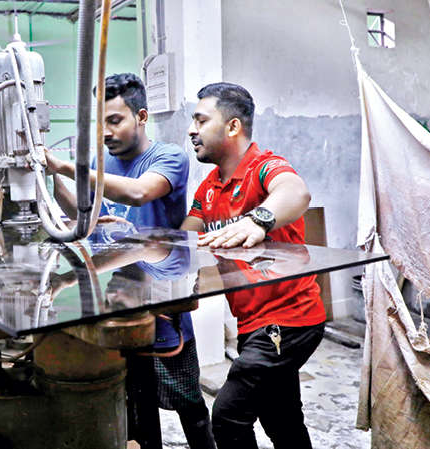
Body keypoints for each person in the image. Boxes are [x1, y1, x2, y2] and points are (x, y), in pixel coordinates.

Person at [46, 73, 215, 449]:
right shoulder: (100, 161)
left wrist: (68, 168)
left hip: (164, 299)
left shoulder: (169, 156)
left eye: (114, 120)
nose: (105, 132)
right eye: (100, 122)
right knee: (137, 403)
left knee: (187, 399)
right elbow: (84, 217)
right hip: (119, 299)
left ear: (141, 117)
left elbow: (139, 193)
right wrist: (51, 178)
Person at [181, 82, 325, 449]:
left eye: (201, 120)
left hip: (288, 320)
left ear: (232, 126)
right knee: (282, 416)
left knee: (228, 416)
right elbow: (184, 238)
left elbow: (296, 192)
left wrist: (258, 220)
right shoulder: (208, 188)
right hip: (252, 322)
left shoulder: (264, 168)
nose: (192, 130)